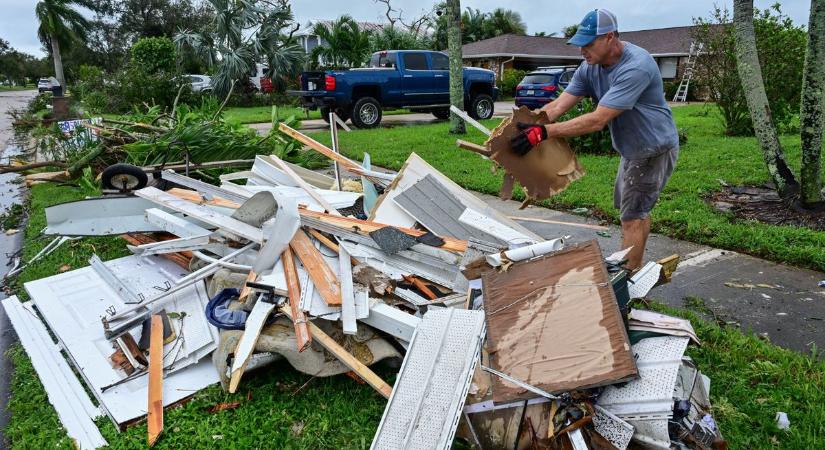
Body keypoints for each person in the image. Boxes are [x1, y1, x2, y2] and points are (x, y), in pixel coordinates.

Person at [510, 8, 679, 271]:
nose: (582, 50)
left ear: (610, 37)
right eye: (580, 44)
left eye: (588, 44)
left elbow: (598, 119)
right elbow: (557, 107)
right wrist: (530, 125)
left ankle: (628, 283)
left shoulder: (636, 66)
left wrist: (544, 133)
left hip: (652, 149)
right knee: (635, 211)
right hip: (633, 149)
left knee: (632, 216)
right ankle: (634, 268)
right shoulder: (590, 67)